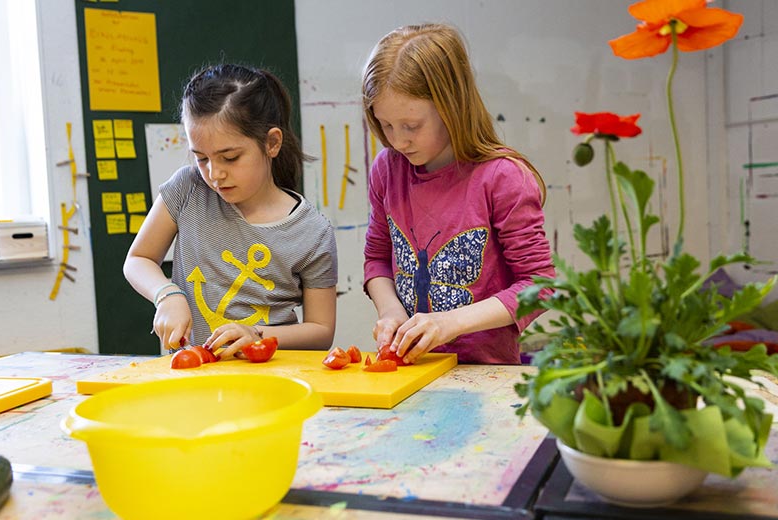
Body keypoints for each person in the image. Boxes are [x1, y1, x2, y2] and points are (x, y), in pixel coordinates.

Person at [361, 24, 554, 365]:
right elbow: (377, 260)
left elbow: (539, 287)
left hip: (484, 374)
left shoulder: (502, 177)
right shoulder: (387, 169)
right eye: (386, 125)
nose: (397, 141)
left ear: (451, 106)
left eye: (411, 126)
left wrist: (450, 322)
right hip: (412, 369)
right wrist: (390, 310)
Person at [124, 64, 338, 359]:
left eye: (230, 157)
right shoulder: (187, 188)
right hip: (195, 376)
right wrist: (166, 294)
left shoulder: (312, 232)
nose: (214, 174)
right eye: (201, 158)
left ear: (272, 143)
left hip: (271, 381)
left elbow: (321, 331)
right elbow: (138, 259)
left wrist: (258, 334)